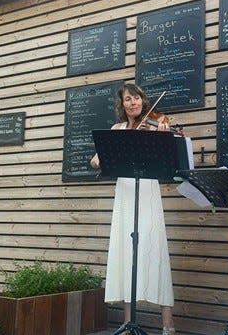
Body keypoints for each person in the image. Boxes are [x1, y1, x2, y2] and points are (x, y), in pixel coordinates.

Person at [90, 83, 176, 335]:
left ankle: (168, 324)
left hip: (147, 191)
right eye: (127, 99)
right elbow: (97, 160)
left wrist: (164, 135)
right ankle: (128, 323)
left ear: (142, 100)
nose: (133, 103)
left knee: (155, 249)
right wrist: (97, 158)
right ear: (122, 104)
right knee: (127, 253)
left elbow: (168, 157)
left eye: (136, 98)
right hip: (125, 194)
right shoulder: (117, 130)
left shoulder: (155, 124)